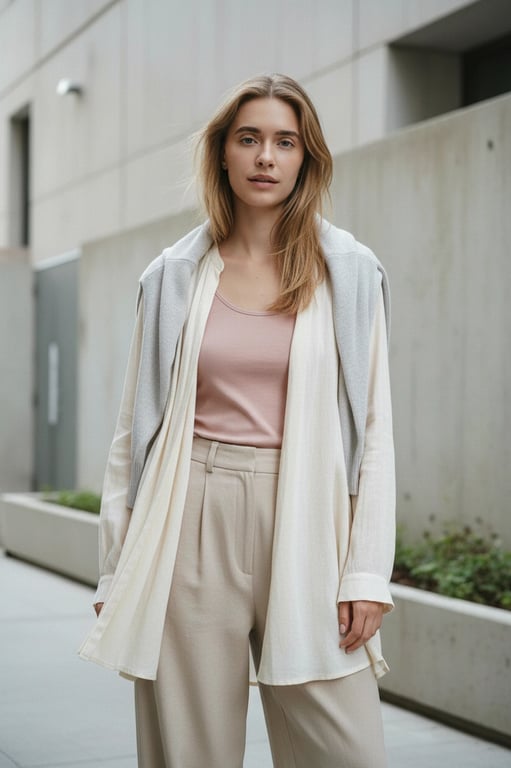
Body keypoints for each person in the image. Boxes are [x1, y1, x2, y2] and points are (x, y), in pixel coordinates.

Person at [79, 73, 396, 768]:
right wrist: (114, 566)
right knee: (190, 749)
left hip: (309, 514)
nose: (265, 157)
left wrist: (366, 572)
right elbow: (134, 431)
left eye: (285, 142)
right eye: (248, 139)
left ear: (306, 158)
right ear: (222, 153)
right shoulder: (172, 276)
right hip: (190, 516)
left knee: (348, 751)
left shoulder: (348, 272)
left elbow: (374, 430)